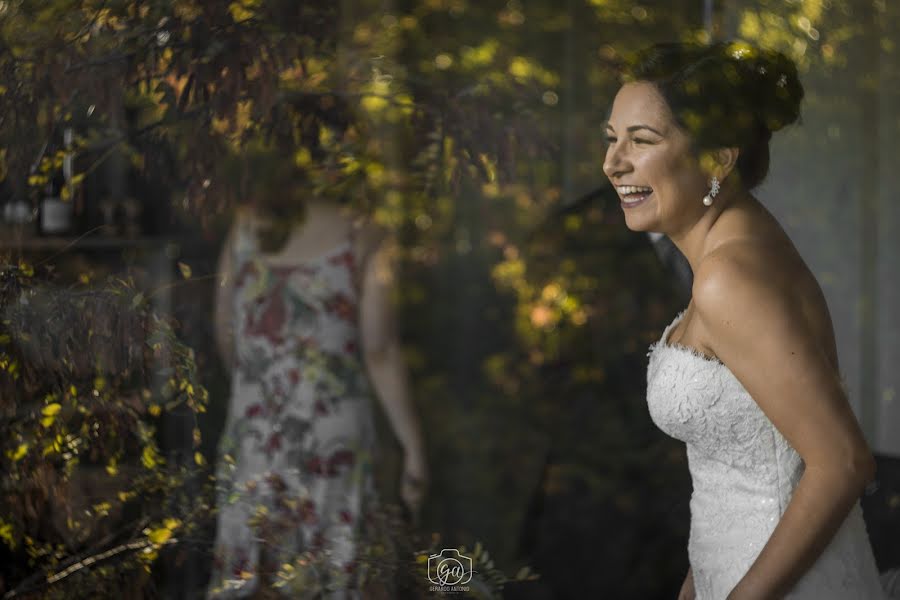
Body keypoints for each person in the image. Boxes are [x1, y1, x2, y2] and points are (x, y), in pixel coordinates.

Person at [602, 41, 893, 599]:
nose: (614, 162)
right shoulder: (733, 252)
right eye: (611, 138)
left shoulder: (730, 276)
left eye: (641, 140)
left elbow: (843, 462)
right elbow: (728, 479)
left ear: (718, 158)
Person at [207, 196, 428, 599]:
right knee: (333, 573)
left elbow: (225, 329)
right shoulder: (364, 233)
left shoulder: (246, 226)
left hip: (256, 429)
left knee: (255, 574)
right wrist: (412, 444)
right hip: (331, 437)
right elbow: (380, 350)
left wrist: (257, 390)